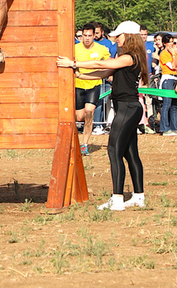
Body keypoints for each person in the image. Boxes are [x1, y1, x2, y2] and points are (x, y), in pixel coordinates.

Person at [57, 21, 148, 211]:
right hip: (129, 108)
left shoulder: (130, 57)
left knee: (114, 151)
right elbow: (103, 72)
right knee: (130, 154)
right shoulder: (126, 57)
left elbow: (101, 63)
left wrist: (72, 63)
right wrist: (79, 75)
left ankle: (117, 199)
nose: (116, 39)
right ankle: (138, 196)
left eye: (119, 35)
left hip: (127, 109)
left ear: (128, 36)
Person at [73, 23, 110, 153]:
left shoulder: (101, 49)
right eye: (85, 36)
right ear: (81, 36)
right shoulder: (74, 48)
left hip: (94, 84)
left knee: (90, 112)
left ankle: (84, 144)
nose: (87, 38)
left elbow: (109, 61)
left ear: (95, 35)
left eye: (90, 35)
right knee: (79, 117)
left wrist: (109, 73)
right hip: (78, 85)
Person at [158, 35, 177, 136]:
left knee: (174, 105)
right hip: (167, 79)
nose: (172, 44)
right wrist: (173, 55)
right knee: (167, 104)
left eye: (173, 42)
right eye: (170, 42)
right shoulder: (164, 54)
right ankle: (164, 128)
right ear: (164, 43)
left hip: (175, 79)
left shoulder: (176, 53)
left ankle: (175, 127)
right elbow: (172, 66)